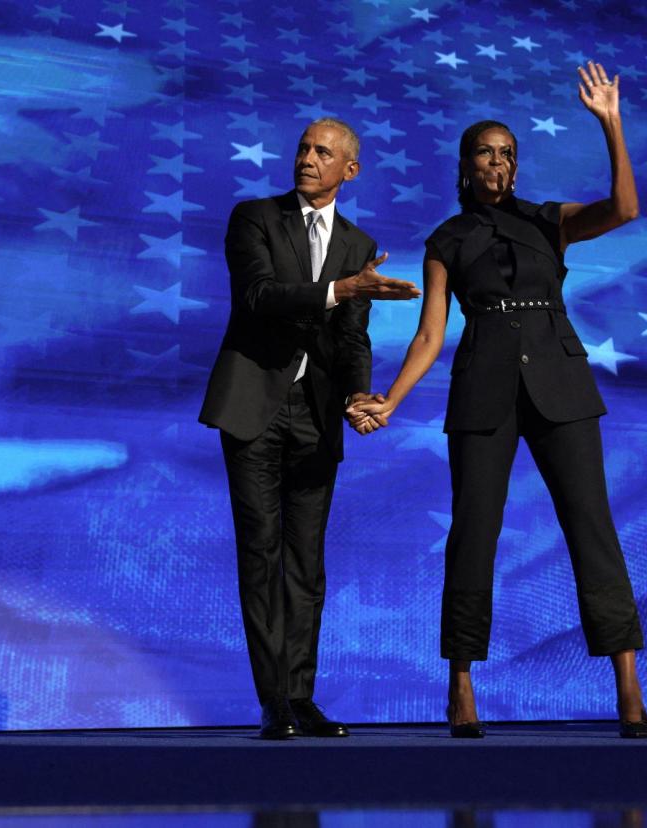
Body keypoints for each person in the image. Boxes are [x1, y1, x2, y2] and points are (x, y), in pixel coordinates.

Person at [349, 63, 647, 738]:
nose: (498, 162)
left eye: (508, 153)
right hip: (484, 389)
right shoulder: (447, 241)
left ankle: (628, 682)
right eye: (486, 151)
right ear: (466, 165)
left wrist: (611, 123)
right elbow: (430, 334)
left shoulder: (549, 222)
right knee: (473, 536)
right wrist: (392, 400)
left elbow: (626, 209)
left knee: (591, 528)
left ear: (517, 166)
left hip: (561, 384)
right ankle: (461, 684)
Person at [199, 118, 420, 739]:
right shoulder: (255, 218)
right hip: (253, 406)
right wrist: (343, 288)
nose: (307, 158)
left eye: (323, 152)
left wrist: (358, 394)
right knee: (260, 553)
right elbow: (260, 296)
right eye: (303, 148)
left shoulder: (357, 242)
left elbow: (351, 337)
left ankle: (302, 696)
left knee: (307, 563)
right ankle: (273, 701)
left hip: (317, 416)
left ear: (350, 170)